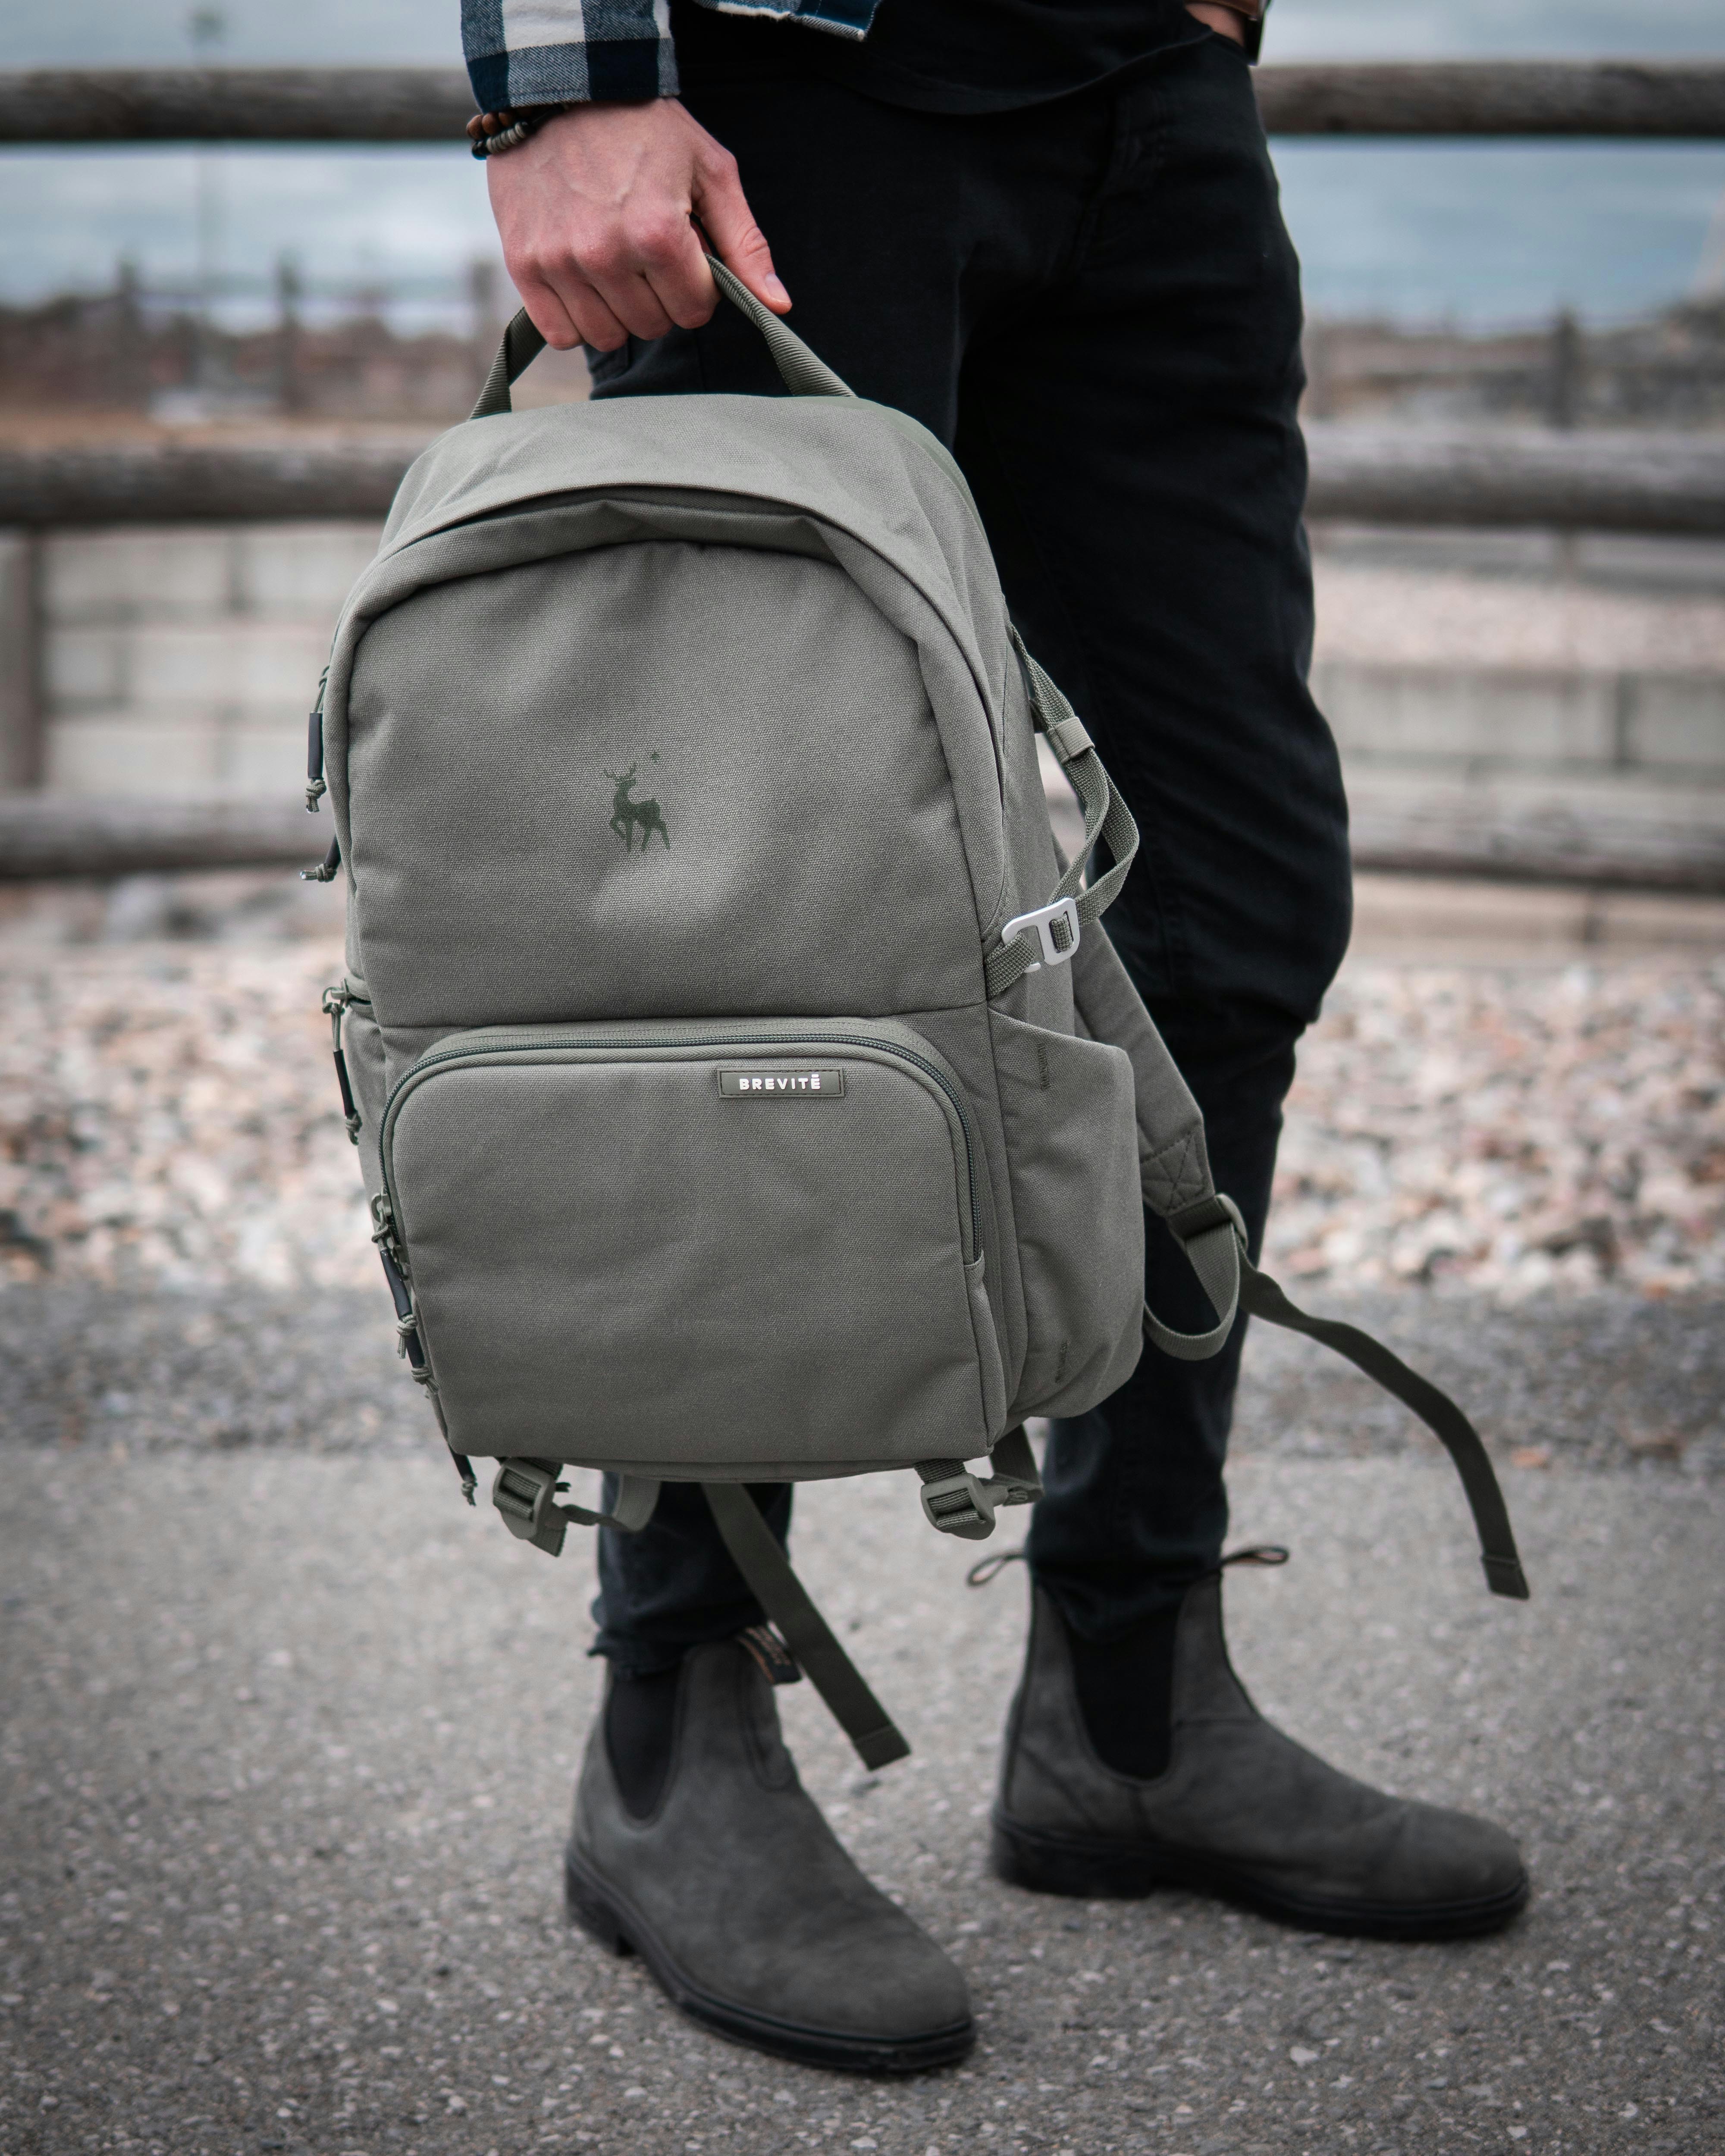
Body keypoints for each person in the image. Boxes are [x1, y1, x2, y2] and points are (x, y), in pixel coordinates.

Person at [459, 0, 1529, 2072]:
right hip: (799, 76)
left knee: (1227, 908)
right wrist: (564, 70)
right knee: (752, 926)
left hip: (1151, 88)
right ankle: (672, 1727)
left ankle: (1127, 1710)